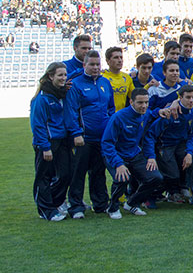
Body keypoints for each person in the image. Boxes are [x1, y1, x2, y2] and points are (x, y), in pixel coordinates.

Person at [144, 85, 193, 209]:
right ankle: (149, 196)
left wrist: (189, 153)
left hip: (181, 145)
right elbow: (150, 134)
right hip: (165, 145)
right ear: (180, 98)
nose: (191, 100)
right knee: (172, 174)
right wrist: (151, 155)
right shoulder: (170, 113)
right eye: (188, 97)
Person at [65, 50, 114, 218]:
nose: (95, 68)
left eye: (97, 64)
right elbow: (71, 111)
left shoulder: (105, 83)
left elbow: (111, 108)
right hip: (83, 138)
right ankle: (76, 206)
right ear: (84, 65)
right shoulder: (76, 84)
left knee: (98, 172)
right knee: (78, 172)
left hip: (102, 138)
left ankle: (100, 204)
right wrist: (76, 133)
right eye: (91, 64)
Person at [102, 88, 166, 219]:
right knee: (122, 178)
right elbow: (107, 143)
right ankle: (112, 207)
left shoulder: (145, 113)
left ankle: (132, 203)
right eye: (140, 103)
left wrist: (151, 157)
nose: (144, 106)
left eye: (146, 102)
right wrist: (118, 163)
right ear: (131, 102)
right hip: (116, 155)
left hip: (134, 154)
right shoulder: (118, 117)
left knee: (156, 177)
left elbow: (152, 113)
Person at [30, 62, 71, 221]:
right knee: (44, 177)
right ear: (50, 76)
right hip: (47, 143)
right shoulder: (42, 98)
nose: (63, 78)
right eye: (60, 75)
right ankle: (45, 210)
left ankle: (54, 203)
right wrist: (45, 147)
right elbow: (38, 124)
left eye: (65, 75)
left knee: (66, 174)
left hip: (62, 141)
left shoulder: (61, 93)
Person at [102, 47, 134, 111]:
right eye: (116, 57)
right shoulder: (102, 77)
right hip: (106, 116)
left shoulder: (127, 78)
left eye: (121, 57)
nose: (119, 60)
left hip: (120, 117)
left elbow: (135, 97)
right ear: (108, 61)